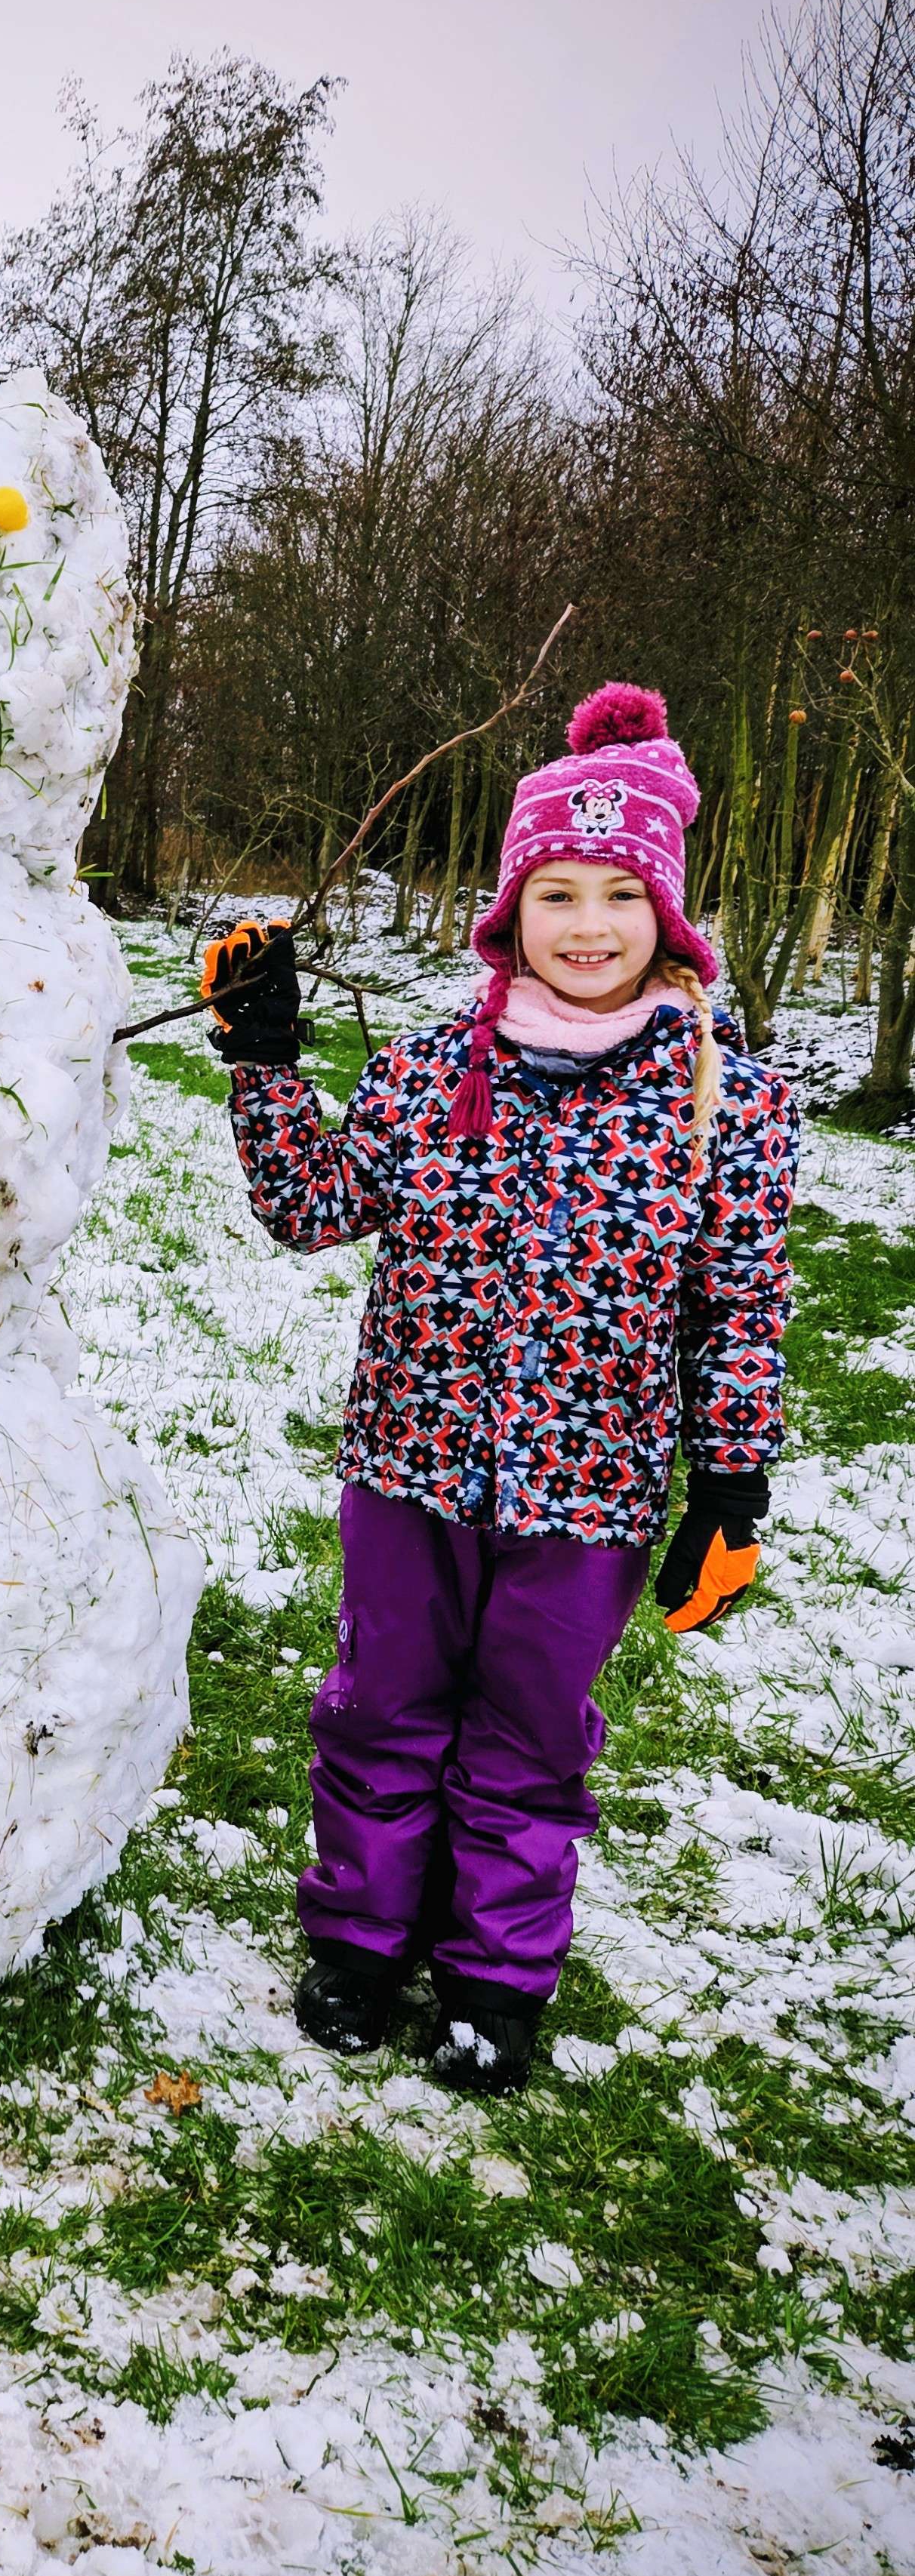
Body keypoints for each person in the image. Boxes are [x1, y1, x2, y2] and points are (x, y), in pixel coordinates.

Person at [200, 683, 797, 2095]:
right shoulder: (425, 1073)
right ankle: (359, 1938)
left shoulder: (730, 1102)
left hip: (590, 1496)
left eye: (618, 895)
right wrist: (267, 1062)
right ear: (510, 912)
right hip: (408, 1467)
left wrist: (731, 1479)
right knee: (381, 1709)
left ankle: (494, 1975)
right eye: (556, 895)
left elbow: (742, 1308)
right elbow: (308, 1206)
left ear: (667, 914)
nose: (587, 927)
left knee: (529, 1741)